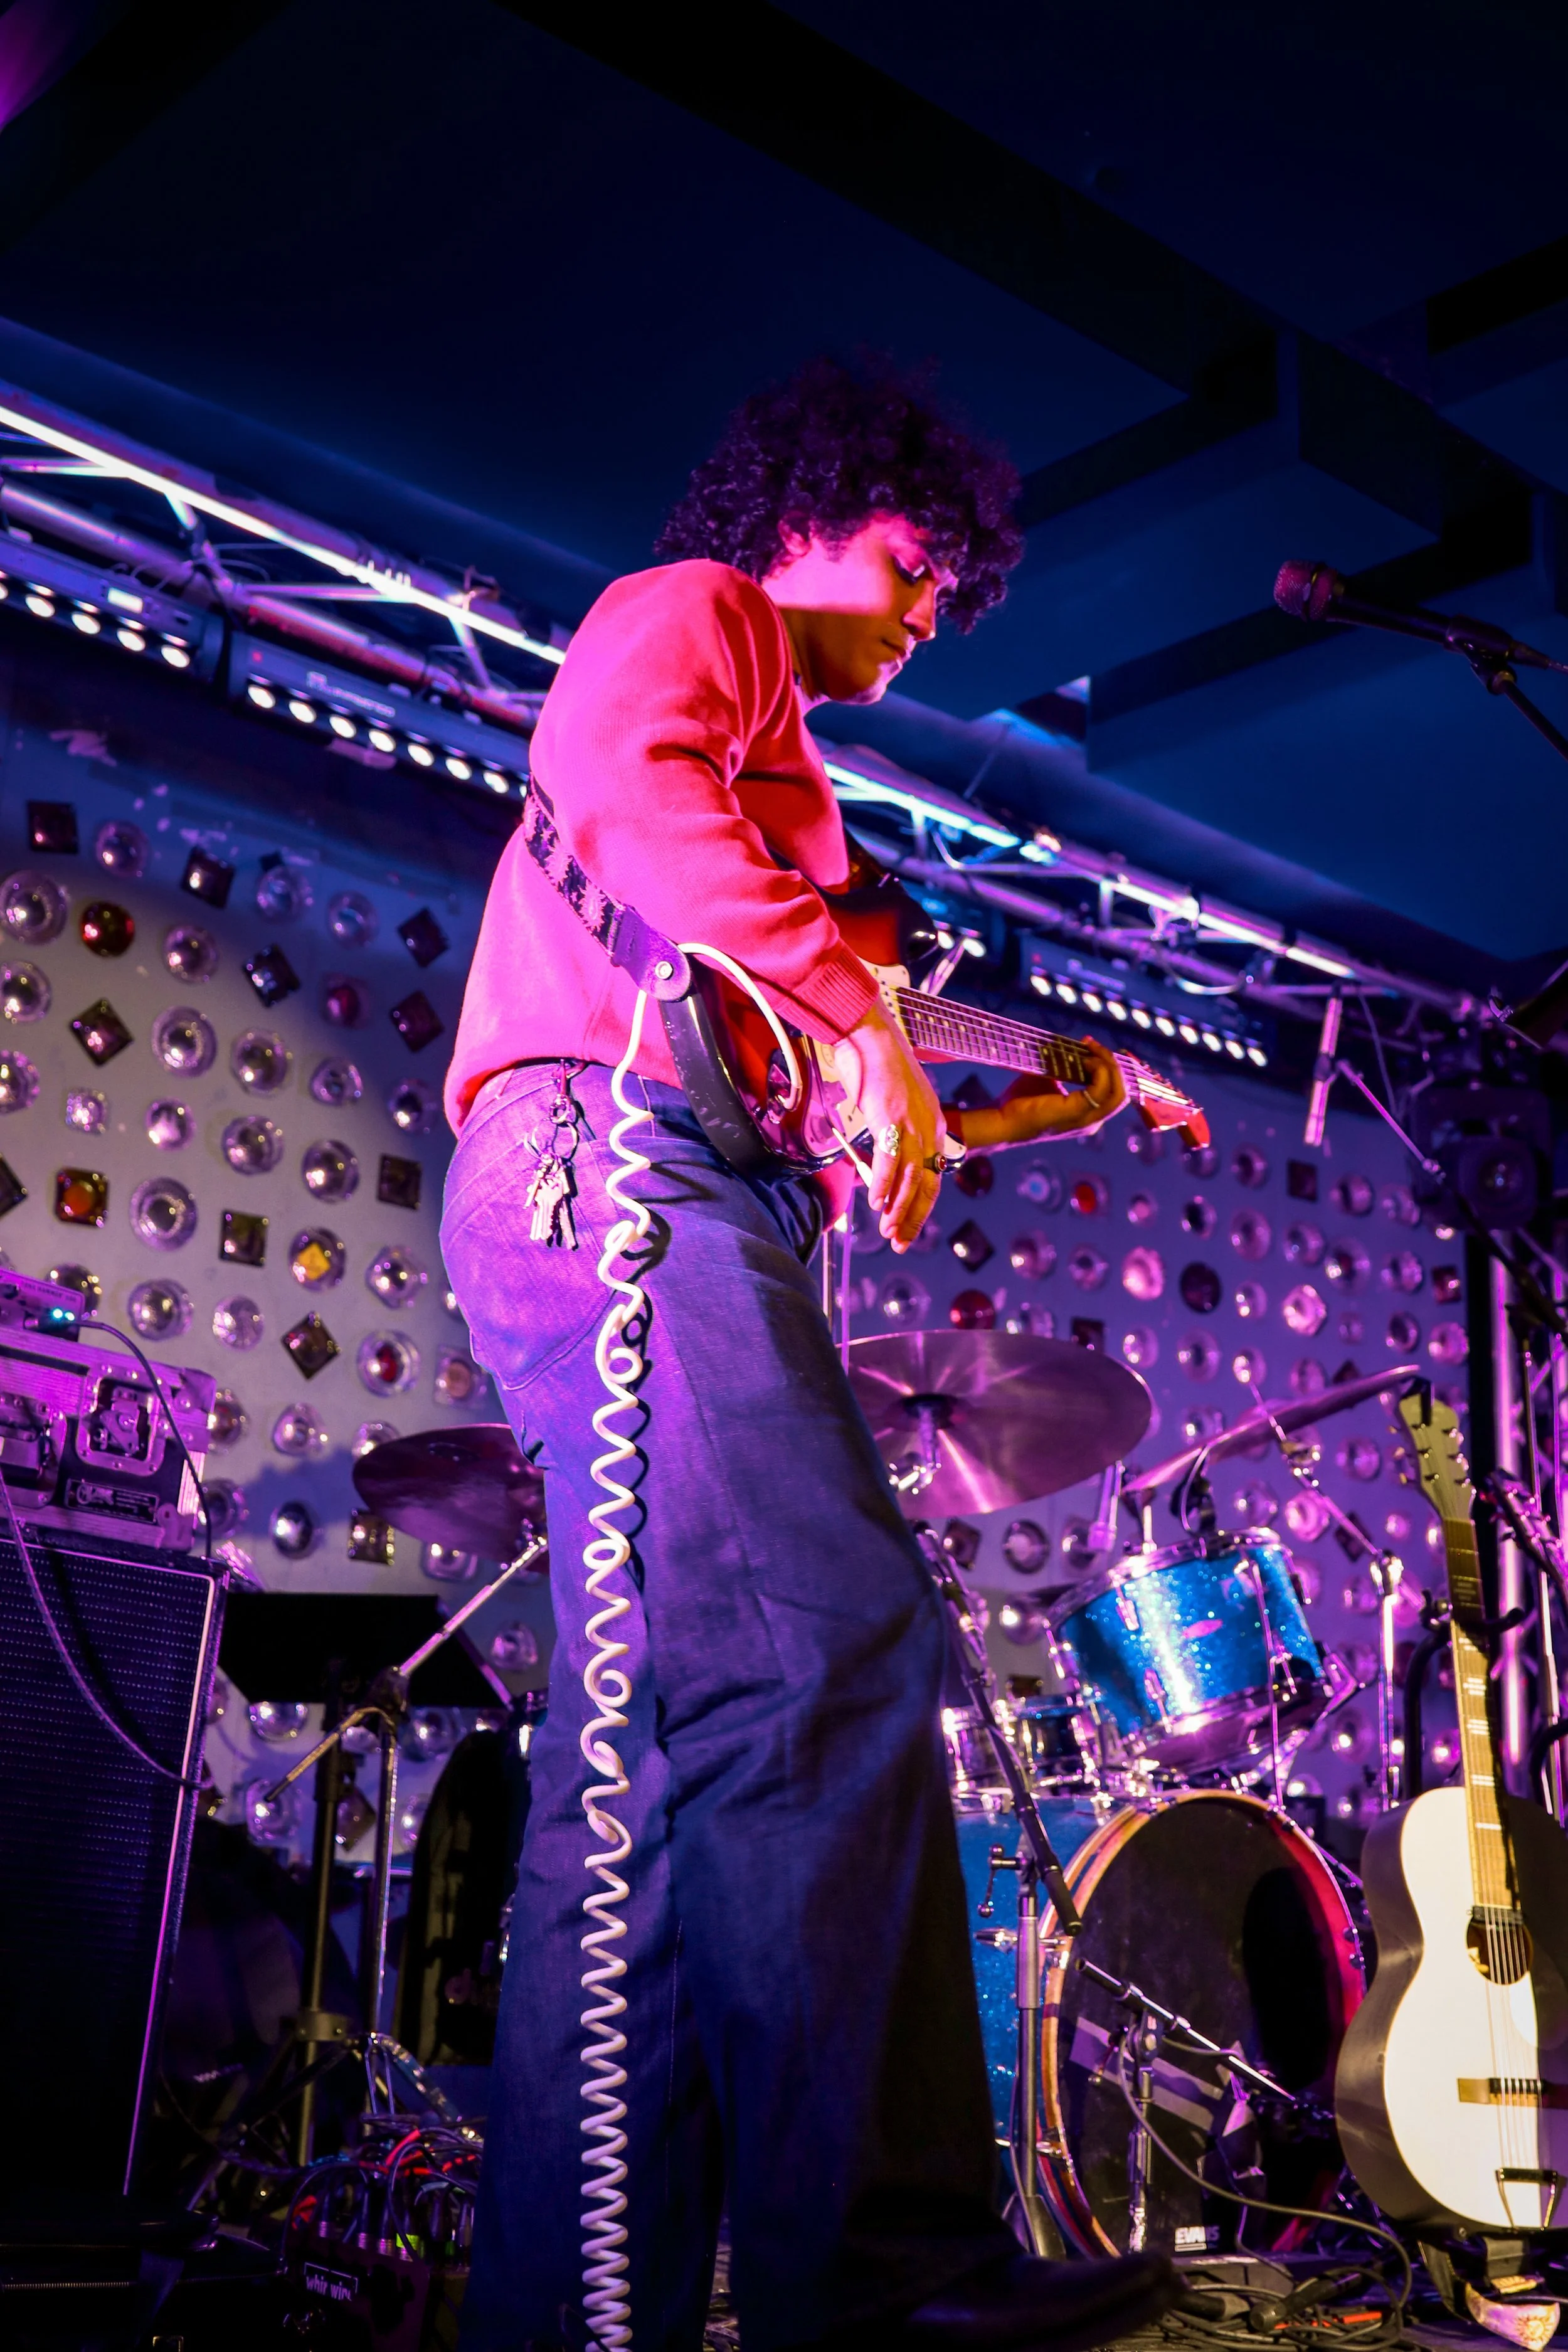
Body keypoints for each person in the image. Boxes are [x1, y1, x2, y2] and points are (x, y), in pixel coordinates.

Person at [441, 358, 1168, 2352]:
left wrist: (1048, 1088)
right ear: (812, 511)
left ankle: (574, 2319)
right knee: (828, 1636)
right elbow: (628, 790)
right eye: (919, 564)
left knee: (651, 1799)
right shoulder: (705, 614)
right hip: (615, 1161)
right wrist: (857, 1019)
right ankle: (884, 2269)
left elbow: (828, 1014)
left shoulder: (796, 838)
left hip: (644, 1186)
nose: (931, 615)